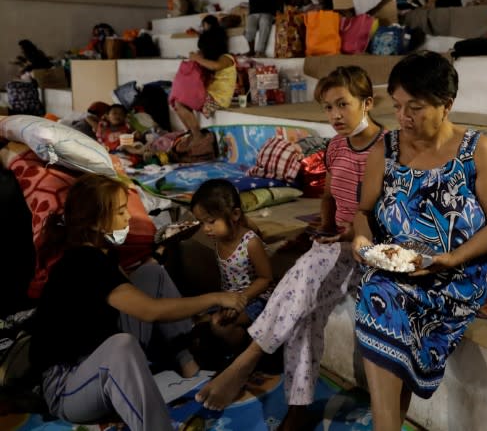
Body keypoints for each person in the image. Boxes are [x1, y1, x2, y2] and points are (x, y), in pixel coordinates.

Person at [194, 67, 386, 430]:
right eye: (328, 108)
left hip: (369, 247)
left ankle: (248, 360)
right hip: (336, 244)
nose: (335, 116)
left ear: (368, 103)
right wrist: (326, 228)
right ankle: (298, 407)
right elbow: (328, 196)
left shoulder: (386, 149)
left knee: (303, 274)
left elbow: (386, 215)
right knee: (304, 306)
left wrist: (346, 236)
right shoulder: (336, 147)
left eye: (343, 105)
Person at [351, 51, 487, 430]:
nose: (404, 117)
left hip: (454, 276)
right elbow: (363, 210)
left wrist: (453, 257)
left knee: (382, 301)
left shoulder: (476, 150)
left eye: (417, 107)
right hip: (393, 268)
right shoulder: (386, 149)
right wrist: (361, 238)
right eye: (397, 106)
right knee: (381, 291)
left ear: (447, 105)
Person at [28, 174, 247, 431]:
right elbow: (149, 311)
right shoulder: (82, 262)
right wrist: (216, 297)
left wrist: (163, 248)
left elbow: (130, 288)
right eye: (121, 211)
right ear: (97, 222)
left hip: (95, 356)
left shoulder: (101, 251)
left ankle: (190, 369)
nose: (128, 217)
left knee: (151, 273)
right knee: (122, 346)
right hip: (68, 385)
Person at [190, 179, 274, 351]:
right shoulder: (219, 237)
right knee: (194, 317)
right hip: (229, 298)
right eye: (201, 223)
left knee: (218, 324)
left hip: (255, 299)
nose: (205, 229)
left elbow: (266, 279)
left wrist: (241, 300)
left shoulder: (250, 243)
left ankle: (245, 351)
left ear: (235, 215)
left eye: (210, 221)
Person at [173, 15, 236, 145]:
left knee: (181, 103)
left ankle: (197, 136)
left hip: (218, 100)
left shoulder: (227, 58)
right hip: (210, 97)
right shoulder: (212, 59)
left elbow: (215, 66)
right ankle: (191, 132)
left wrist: (197, 58)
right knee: (177, 102)